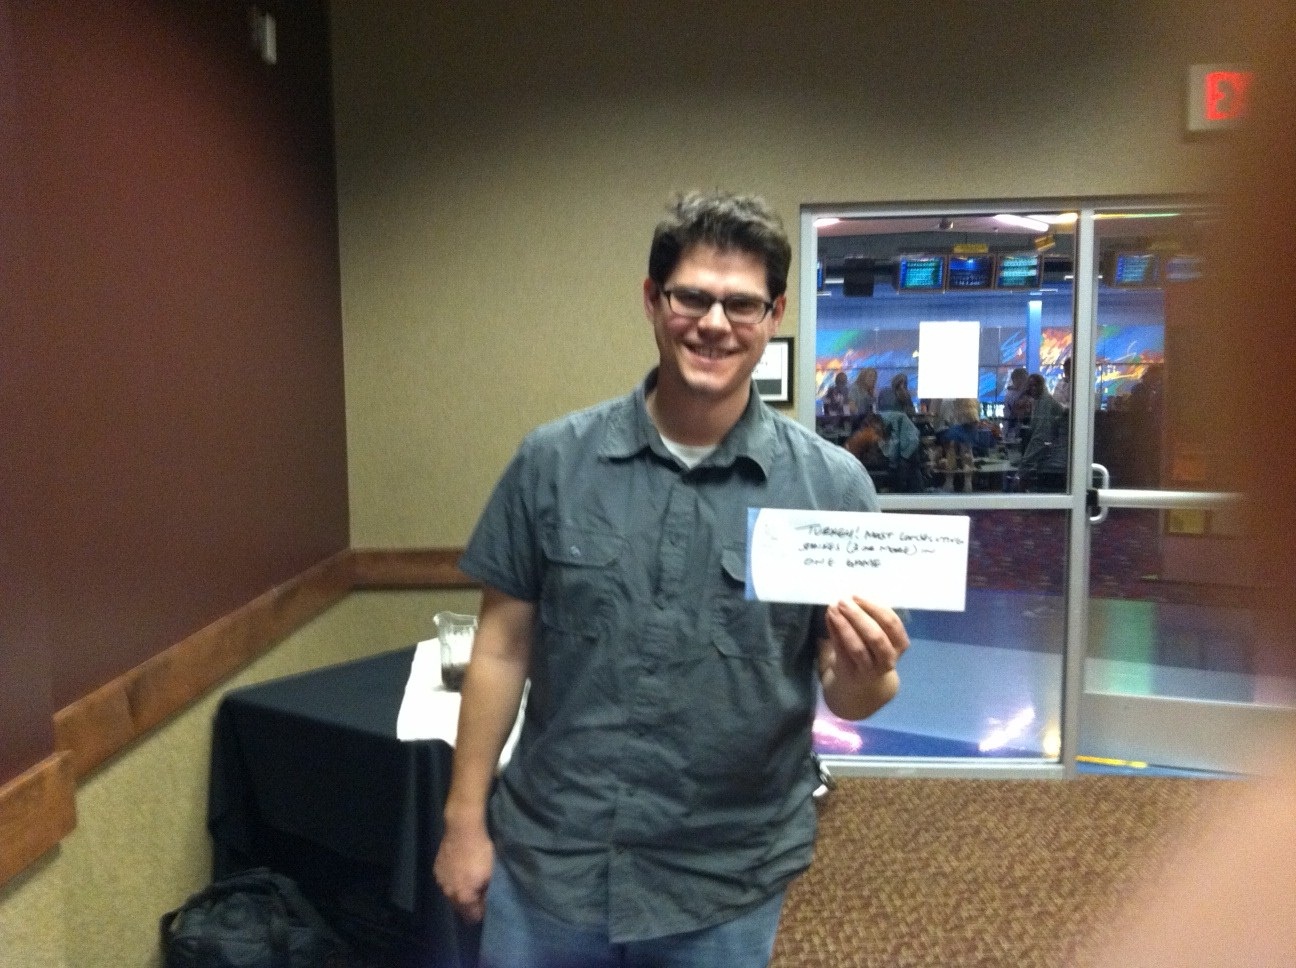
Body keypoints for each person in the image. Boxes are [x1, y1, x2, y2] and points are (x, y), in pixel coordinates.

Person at [433, 190, 911, 968]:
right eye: (692, 297)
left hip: (722, 880)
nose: (714, 323)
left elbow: (852, 693)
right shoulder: (552, 462)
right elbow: (500, 648)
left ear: (774, 315)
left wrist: (867, 673)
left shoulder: (831, 488)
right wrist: (463, 822)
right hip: (553, 860)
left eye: (742, 304)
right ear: (653, 300)